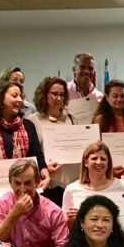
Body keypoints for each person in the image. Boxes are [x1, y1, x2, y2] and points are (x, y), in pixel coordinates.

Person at [0, 80, 50, 199]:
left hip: (25, 192)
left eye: (21, 96)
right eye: (14, 95)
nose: (20, 100)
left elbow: (37, 155)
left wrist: (45, 173)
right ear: (0, 98)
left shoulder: (28, 125)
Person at [28, 75, 77, 206]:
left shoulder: (71, 119)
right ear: (44, 95)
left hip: (73, 183)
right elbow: (30, 154)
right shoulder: (33, 120)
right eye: (54, 94)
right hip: (49, 184)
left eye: (62, 94)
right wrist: (43, 168)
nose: (59, 98)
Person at [62, 142, 124, 226]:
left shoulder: (122, 186)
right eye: (94, 158)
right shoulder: (71, 189)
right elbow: (66, 227)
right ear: (86, 163)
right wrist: (70, 220)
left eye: (103, 159)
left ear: (108, 163)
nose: (98, 162)